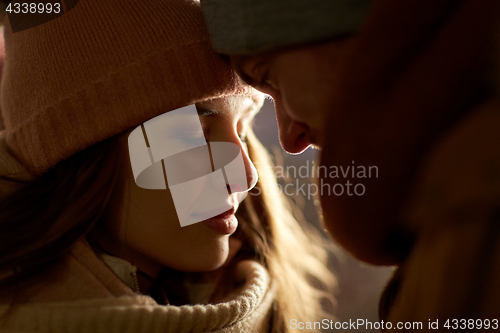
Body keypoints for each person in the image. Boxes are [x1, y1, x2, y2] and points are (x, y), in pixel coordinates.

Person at [0, 1, 334, 332]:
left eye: (243, 131)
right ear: (80, 149)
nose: (247, 176)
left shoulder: (267, 302)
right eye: (198, 134)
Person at [201, 0, 500, 327]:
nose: (291, 140)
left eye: (267, 75)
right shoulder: (453, 200)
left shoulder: (476, 211)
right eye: (199, 134)